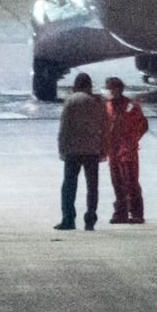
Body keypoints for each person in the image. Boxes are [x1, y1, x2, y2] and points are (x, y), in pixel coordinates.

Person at [55, 72, 107, 231]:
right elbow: (105, 127)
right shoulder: (98, 102)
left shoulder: (70, 101)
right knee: (92, 186)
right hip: (92, 149)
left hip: (73, 149)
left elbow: (64, 127)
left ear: (76, 85)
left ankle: (68, 219)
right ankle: (90, 219)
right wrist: (104, 148)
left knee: (69, 186)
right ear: (89, 85)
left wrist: (61, 148)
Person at [105, 76, 148, 224]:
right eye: (110, 89)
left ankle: (136, 212)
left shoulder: (131, 106)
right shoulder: (108, 106)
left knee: (131, 181)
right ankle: (121, 211)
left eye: (114, 89)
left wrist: (132, 141)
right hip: (113, 150)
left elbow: (143, 125)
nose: (111, 92)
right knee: (117, 182)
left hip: (127, 151)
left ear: (120, 89)